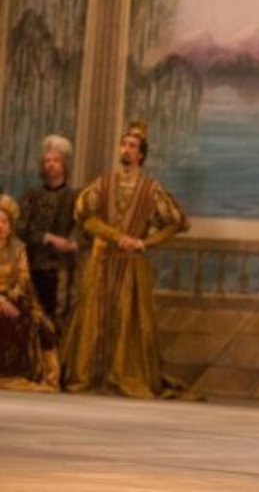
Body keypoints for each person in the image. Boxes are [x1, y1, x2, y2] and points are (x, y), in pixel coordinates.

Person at [61, 122, 192, 399]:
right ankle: (89, 375)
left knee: (127, 322)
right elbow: (84, 215)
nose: (126, 150)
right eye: (124, 145)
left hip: (131, 265)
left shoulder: (151, 189)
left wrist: (146, 242)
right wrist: (115, 236)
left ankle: (120, 375)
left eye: (132, 146)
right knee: (94, 318)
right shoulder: (103, 183)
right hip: (102, 261)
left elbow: (178, 222)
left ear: (141, 155)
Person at [16, 135, 80, 341]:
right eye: (47, 160)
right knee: (33, 316)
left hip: (62, 267)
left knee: (58, 317)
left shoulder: (75, 197)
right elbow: (21, 228)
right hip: (33, 264)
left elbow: (83, 228)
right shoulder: (31, 195)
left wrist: (72, 243)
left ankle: (56, 358)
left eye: (56, 160)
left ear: (64, 165)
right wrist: (48, 237)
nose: (51, 164)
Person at [0, 193, 60, 391]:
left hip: (14, 296)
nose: (0, 226)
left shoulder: (19, 248)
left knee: (38, 323)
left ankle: (32, 373)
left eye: (4, 222)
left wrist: (10, 298)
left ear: (10, 227)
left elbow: (23, 278)